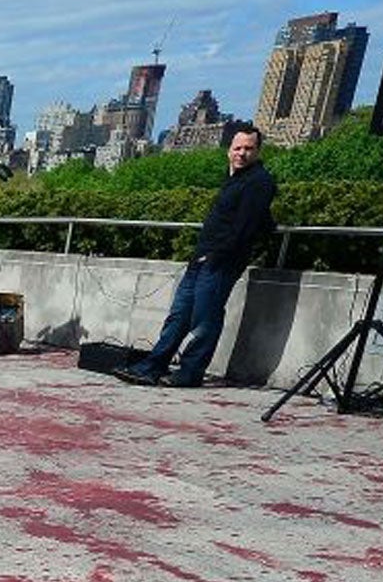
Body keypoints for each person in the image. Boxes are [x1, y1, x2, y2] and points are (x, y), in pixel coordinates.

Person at [116, 126, 275, 389]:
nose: (242, 153)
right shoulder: (233, 178)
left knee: (205, 320)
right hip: (201, 260)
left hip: (219, 263)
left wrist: (214, 256)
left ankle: (189, 373)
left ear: (258, 151)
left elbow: (245, 228)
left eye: (249, 148)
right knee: (178, 316)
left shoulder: (259, 182)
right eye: (237, 148)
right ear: (229, 151)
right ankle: (153, 366)